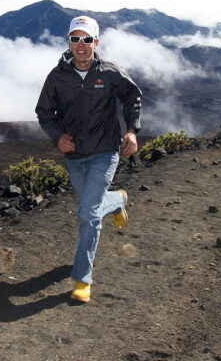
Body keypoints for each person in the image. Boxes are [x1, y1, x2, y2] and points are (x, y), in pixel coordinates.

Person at [35, 15, 142, 303]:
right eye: (75, 39)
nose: (80, 46)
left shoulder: (110, 72)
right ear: (68, 42)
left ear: (96, 42)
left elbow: (133, 97)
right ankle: (118, 200)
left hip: (105, 152)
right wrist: (58, 136)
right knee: (90, 206)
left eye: (86, 40)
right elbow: (44, 112)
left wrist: (131, 131)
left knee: (88, 215)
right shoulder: (57, 77)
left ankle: (82, 280)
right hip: (75, 155)